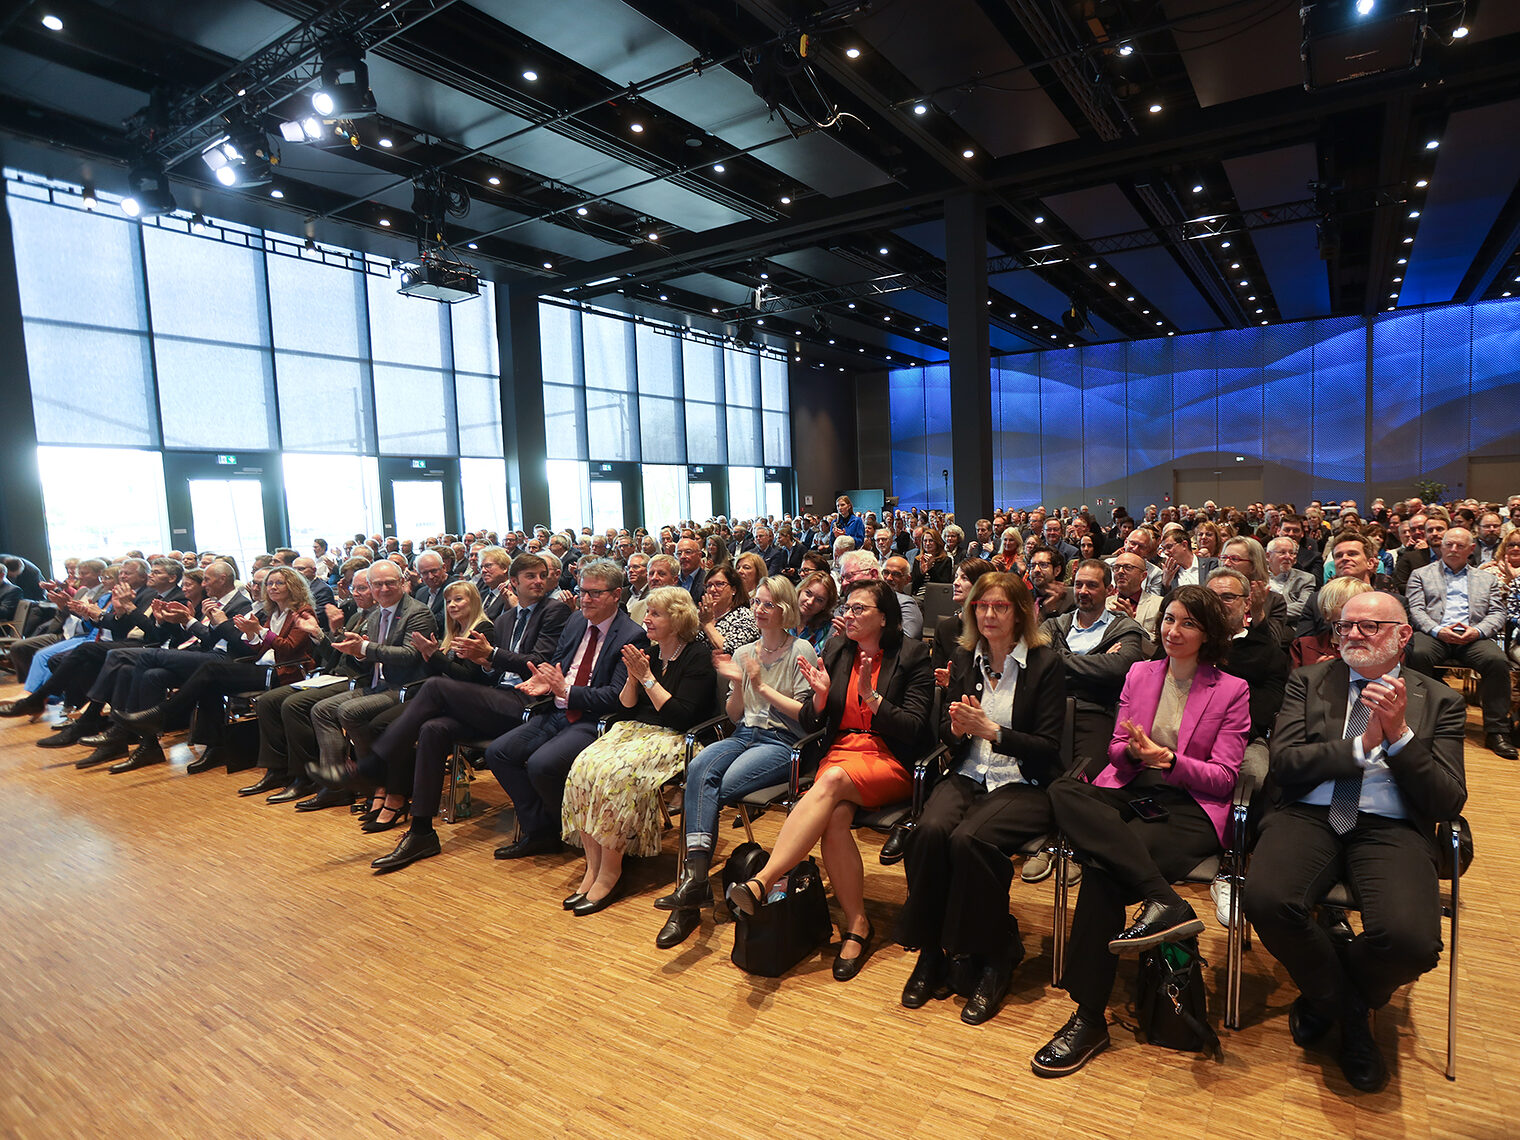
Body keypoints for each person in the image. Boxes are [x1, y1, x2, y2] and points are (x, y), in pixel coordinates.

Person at [1243, 591, 1467, 1093]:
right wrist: (1360, 746)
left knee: (1412, 944)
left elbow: (1447, 800)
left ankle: (1331, 998)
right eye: (1345, 627)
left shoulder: (1441, 699)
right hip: (1309, 812)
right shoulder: (1308, 682)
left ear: (1403, 634)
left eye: (1369, 627)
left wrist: (1401, 737)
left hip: (1391, 825)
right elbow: (1285, 765)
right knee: (1266, 900)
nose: (1352, 637)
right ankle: (1347, 1009)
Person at [1032, 586, 1250, 1078]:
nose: (1173, 631)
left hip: (1188, 804)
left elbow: (1225, 778)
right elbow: (1113, 749)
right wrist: (1132, 753)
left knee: (1103, 870)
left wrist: (1171, 760)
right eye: (1168, 620)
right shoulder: (1140, 672)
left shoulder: (1231, 689)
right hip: (1133, 787)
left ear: (1208, 633)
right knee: (1063, 791)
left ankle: (1088, 1018)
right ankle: (1162, 898)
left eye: (1187, 624)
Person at [726, 579, 934, 981]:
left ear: (884, 617)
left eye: (859, 609)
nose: (848, 616)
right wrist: (820, 700)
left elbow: (913, 727)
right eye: (847, 608)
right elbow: (811, 721)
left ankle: (764, 881)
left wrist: (873, 698)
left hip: (888, 758)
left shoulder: (912, 655)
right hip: (840, 754)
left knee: (832, 781)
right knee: (835, 819)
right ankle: (858, 924)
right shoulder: (839, 649)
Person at [896, 572, 1065, 1024]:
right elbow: (947, 736)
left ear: (1020, 613)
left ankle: (995, 955)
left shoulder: (1046, 664)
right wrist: (955, 728)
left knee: (969, 840)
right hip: (969, 772)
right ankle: (932, 952)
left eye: (1000, 607)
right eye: (981, 606)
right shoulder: (964, 656)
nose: (988, 615)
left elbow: (1049, 748)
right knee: (928, 831)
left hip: (1024, 782)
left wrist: (993, 731)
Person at [654, 576, 819, 948]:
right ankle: (695, 882)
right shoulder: (745, 652)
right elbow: (734, 714)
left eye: (768, 605)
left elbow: (804, 718)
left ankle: (688, 895)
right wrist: (741, 686)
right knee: (698, 770)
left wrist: (759, 685)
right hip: (744, 734)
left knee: (712, 789)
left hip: (782, 740)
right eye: (757, 603)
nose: (759, 610)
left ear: (785, 610)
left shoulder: (801, 651)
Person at [557, 587, 715, 915]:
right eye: (648, 613)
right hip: (636, 729)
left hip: (676, 737)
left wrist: (646, 678)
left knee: (616, 775)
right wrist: (633, 678)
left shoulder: (698, 656)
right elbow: (627, 707)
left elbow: (681, 716)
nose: (647, 620)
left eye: (656, 614)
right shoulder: (651, 653)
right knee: (584, 766)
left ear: (678, 619)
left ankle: (611, 872)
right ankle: (593, 867)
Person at [489, 559, 647, 860]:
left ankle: (576, 829)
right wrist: (545, 680)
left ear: (616, 595)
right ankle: (542, 830)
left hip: (593, 721)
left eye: (594, 594)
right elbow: (560, 663)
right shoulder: (576, 621)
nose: (585, 599)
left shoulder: (632, 635)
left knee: (541, 765)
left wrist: (567, 692)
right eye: (581, 591)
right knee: (499, 753)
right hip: (555, 709)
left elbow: (616, 697)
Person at [111, 566, 319, 774]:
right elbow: (256, 648)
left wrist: (259, 632)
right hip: (260, 665)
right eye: (270, 583)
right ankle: (215, 747)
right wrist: (252, 635)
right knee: (208, 683)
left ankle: (162, 714)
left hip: (282, 672)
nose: (272, 587)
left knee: (210, 669)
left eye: (279, 583)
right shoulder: (272, 612)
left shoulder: (302, 613)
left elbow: (290, 648)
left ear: (292, 586)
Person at [1403, 527, 1515, 758]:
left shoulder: (1487, 578)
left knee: (1497, 661)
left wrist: (1477, 631)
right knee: (1417, 653)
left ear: (1471, 549)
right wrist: (1437, 630)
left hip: (1473, 636)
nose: (1453, 549)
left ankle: (1497, 731)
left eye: (1460, 545)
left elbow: (1497, 613)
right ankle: (1417, 722)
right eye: (1449, 544)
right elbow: (1416, 611)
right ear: (1441, 546)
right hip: (1434, 634)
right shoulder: (1421, 574)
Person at [1291, 576, 1372, 668]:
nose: (1356, 611)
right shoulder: (1304, 646)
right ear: (1327, 611)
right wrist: (1313, 676)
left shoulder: (1378, 645)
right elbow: (1295, 680)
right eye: (1346, 605)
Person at [698, 564, 759, 656]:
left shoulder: (744, 616)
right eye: (709, 585)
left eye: (719, 584)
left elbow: (730, 650)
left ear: (733, 590)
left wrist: (707, 624)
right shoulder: (703, 614)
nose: (713, 589)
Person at [792, 571, 837, 656]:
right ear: (800, 590)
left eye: (819, 600)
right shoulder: (782, 616)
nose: (810, 602)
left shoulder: (828, 629)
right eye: (808, 593)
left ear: (825, 605)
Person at [910, 528, 954, 596]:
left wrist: (930, 569)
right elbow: (914, 585)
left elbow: (944, 584)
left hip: (937, 595)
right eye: (925, 541)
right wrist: (922, 573)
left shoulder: (945, 560)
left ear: (937, 542)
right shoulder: (918, 560)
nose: (927, 543)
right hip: (919, 594)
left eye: (931, 541)